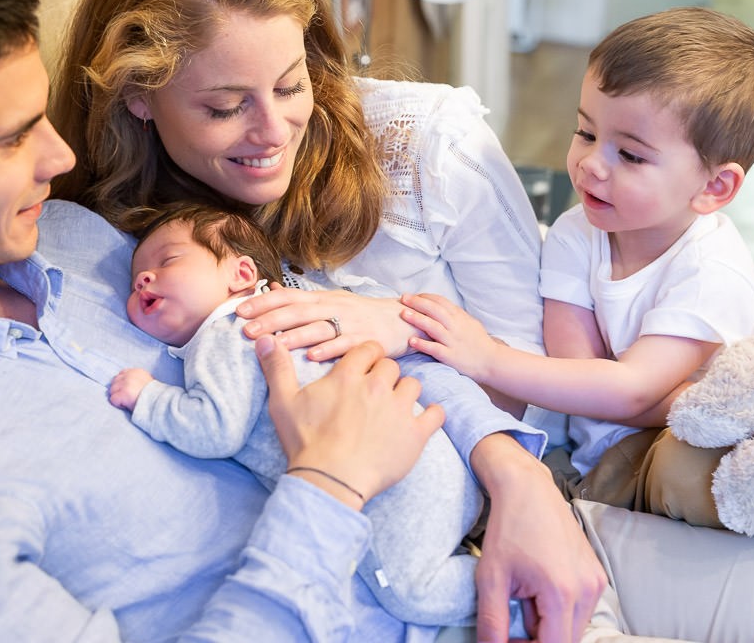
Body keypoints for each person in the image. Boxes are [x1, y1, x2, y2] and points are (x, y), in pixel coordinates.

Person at [0, 0, 607, 642]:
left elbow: (329, 338)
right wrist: (330, 488)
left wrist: (516, 476)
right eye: (13, 140)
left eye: (46, 117)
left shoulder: (83, 238)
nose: (63, 158)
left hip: (512, 560)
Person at [50, 0, 606, 637]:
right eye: (225, 107)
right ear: (138, 97)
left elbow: (550, 395)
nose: (274, 133)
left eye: (290, 86)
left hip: (560, 443)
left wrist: (398, 323)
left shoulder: (430, 145)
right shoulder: (141, 242)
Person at [400, 7, 754, 528]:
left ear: (713, 188)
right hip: (667, 437)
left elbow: (623, 391)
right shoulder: (574, 233)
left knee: (728, 466)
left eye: (630, 155)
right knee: (686, 474)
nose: (591, 164)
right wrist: (638, 392)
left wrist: (488, 359)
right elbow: (582, 377)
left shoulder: (713, 270)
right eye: (585, 133)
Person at [110, 202, 493, 628]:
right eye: (133, 280)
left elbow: (214, 430)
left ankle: (522, 597)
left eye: (168, 260)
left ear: (240, 275)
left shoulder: (230, 330)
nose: (144, 277)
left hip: (398, 484)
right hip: (437, 464)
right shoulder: (287, 316)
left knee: (413, 592)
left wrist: (148, 398)